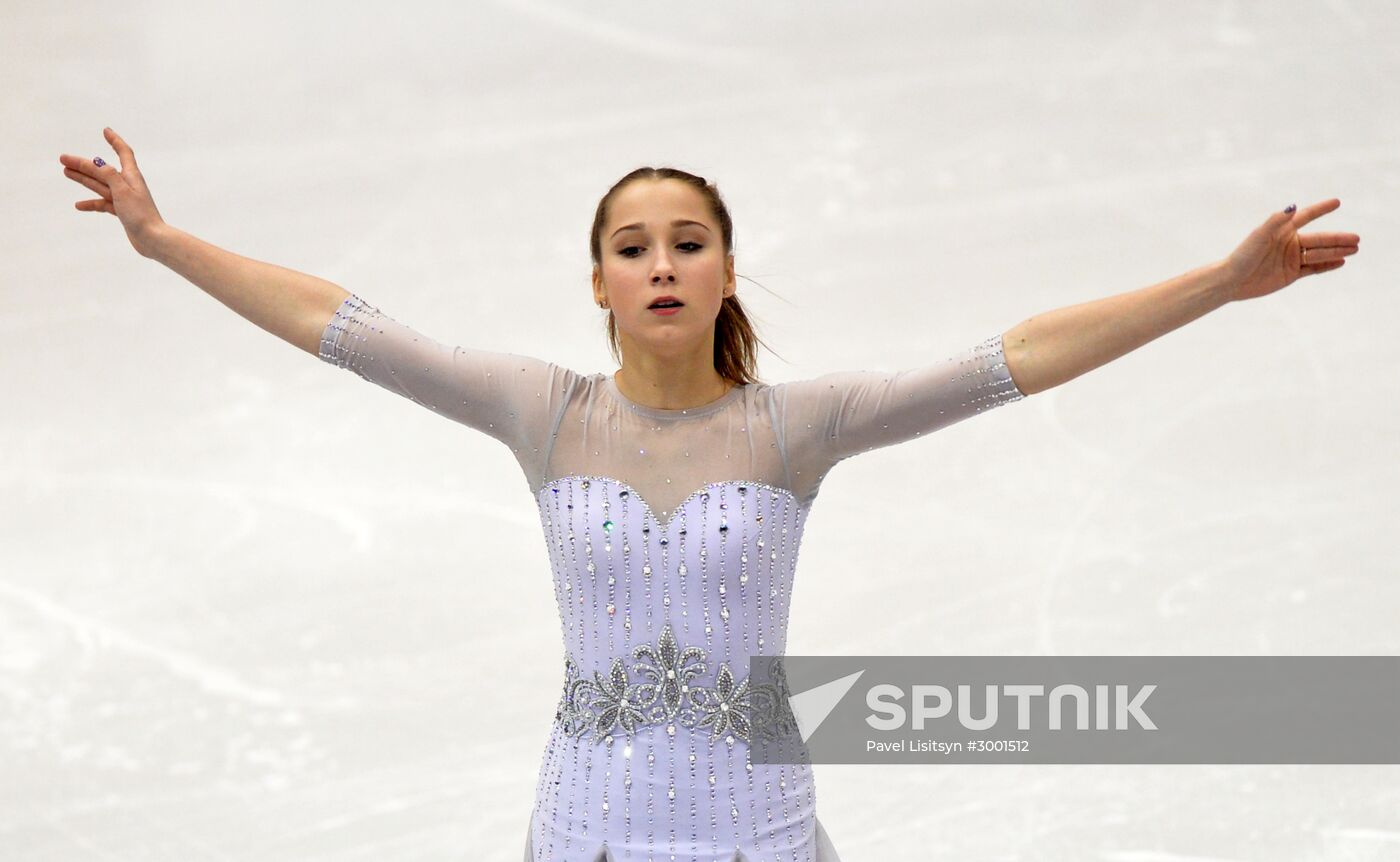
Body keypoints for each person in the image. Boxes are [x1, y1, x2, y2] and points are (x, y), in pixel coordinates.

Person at [60, 128, 1360, 862]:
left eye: (689, 241)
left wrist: (1213, 282)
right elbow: (342, 323)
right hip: (585, 836)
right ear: (599, 283)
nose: (663, 263)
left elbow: (1013, 358)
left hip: (763, 839)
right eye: (634, 247)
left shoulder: (798, 427)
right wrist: (165, 240)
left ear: (729, 268)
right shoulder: (543, 409)